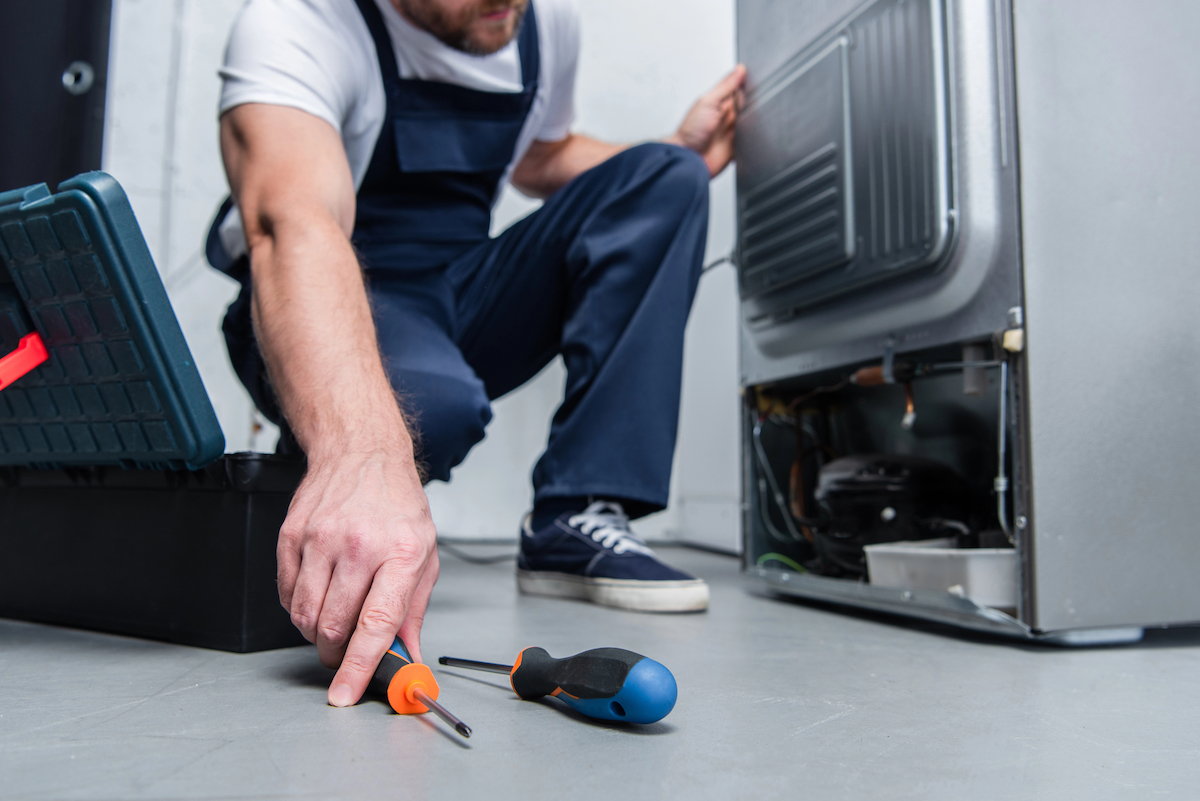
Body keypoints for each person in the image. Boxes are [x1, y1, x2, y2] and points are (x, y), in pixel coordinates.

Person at [205, 0, 745, 708]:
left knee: (666, 175)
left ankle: (574, 518)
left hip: (456, 285)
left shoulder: (538, 23)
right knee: (426, 409)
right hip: (326, 282)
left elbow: (539, 156)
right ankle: (327, 481)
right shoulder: (299, 24)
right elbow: (293, 226)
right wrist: (362, 453)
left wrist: (676, 146)